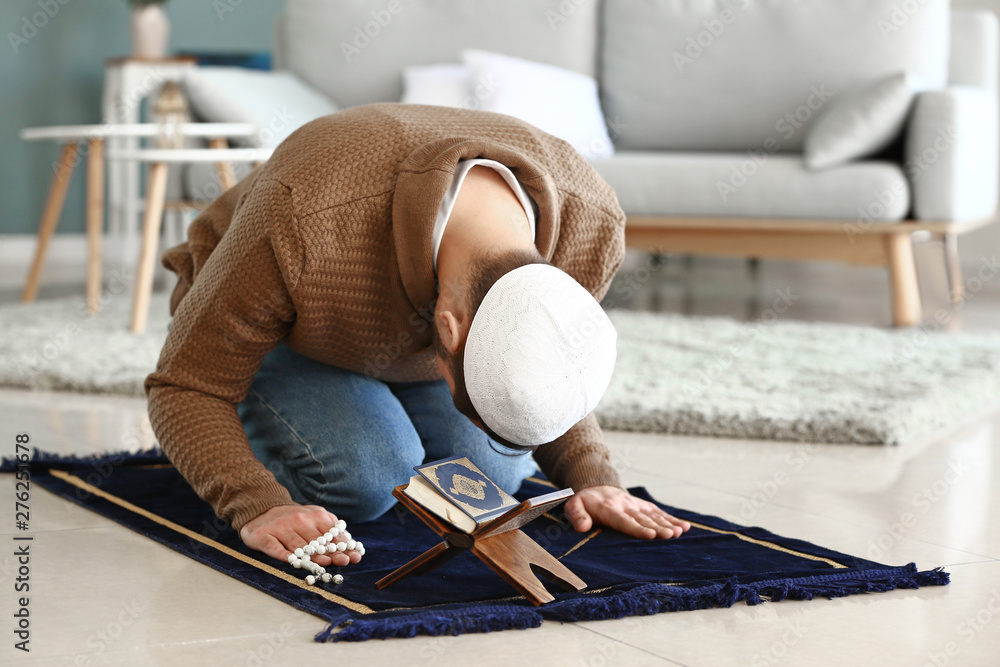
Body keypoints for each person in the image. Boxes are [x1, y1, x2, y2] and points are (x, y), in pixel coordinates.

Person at [145, 103, 690, 570]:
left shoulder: (590, 228)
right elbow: (186, 385)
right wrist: (256, 500)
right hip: (285, 336)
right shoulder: (304, 218)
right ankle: (268, 432)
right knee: (368, 475)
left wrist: (591, 473)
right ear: (449, 334)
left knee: (493, 478)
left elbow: (547, 354)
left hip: (401, 347)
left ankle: (396, 412)